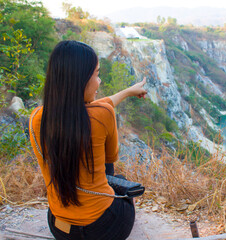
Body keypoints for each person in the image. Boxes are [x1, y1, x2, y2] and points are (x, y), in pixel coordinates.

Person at [29, 40, 147, 239]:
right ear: (80, 79)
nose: (99, 82)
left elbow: (84, 111)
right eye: (97, 74)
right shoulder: (104, 114)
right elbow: (110, 158)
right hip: (102, 228)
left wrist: (127, 92)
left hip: (59, 227)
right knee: (121, 182)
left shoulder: (36, 118)